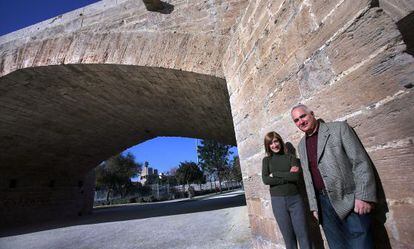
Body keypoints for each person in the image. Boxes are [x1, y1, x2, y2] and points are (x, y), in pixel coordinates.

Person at [290, 104, 377, 249]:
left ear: (312, 113)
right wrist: (314, 207)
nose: (301, 122)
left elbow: (360, 161)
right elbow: (307, 178)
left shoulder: (339, 129)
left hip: (350, 200)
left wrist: (363, 196)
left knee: (361, 245)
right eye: (296, 120)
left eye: (303, 116)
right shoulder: (301, 145)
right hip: (323, 206)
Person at [262, 131, 312, 249]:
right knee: (288, 238)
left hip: (295, 200)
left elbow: (295, 177)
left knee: (303, 235)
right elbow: (265, 180)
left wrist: (275, 174)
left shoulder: (291, 158)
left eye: (276, 141)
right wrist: (286, 176)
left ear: (280, 141)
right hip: (278, 202)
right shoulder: (266, 160)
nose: (274, 145)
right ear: (268, 146)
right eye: (271, 143)